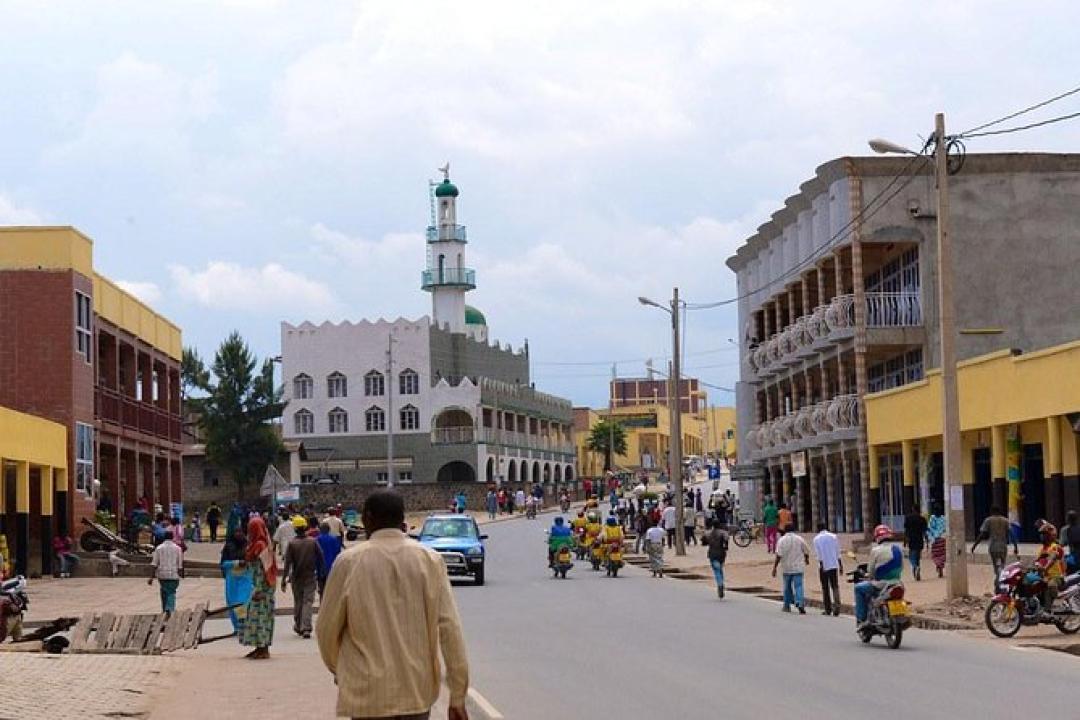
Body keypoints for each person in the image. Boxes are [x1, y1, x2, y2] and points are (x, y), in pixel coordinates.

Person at [317, 491, 470, 720]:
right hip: (416, 692)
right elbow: (451, 629)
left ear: (368, 518)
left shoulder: (348, 562)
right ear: (402, 519)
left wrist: (340, 669)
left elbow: (326, 629)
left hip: (367, 695)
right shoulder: (429, 561)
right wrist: (457, 695)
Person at [239, 516, 276, 659]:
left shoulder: (261, 545)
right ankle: (258, 647)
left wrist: (260, 589)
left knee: (261, 619)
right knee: (255, 618)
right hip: (257, 586)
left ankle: (263, 649)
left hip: (263, 588)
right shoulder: (256, 544)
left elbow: (264, 569)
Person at [854, 525, 903, 630]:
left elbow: (870, 571)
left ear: (877, 537)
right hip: (897, 583)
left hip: (880, 584)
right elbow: (901, 567)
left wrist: (868, 575)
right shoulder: (898, 549)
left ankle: (861, 618)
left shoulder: (875, 550)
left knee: (858, 588)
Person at [282, 515, 324, 639]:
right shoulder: (313, 541)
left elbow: (287, 563)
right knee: (308, 602)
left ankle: (299, 625)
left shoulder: (292, 544)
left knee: (298, 601)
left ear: (295, 529)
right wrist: (321, 572)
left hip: (296, 577)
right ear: (305, 527)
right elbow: (321, 557)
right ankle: (306, 627)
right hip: (310, 576)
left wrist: (284, 579)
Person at [971, 505, 1019, 585]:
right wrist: (1015, 547)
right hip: (1003, 547)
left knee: (996, 567)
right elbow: (1012, 534)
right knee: (1002, 565)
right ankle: (1002, 581)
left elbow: (982, 534)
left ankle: (998, 582)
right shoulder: (1005, 520)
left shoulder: (988, 520)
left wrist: (975, 545)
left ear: (991, 512)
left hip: (993, 547)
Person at [220, 526, 252, 633]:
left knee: (244, 601)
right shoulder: (228, 547)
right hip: (232, 579)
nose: (238, 534)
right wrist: (236, 563)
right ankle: (236, 627)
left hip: (245, 578)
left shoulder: (249, 546)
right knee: (232, 603)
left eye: (240, 532)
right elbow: (223, 563)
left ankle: (244, 625)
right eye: (236, 532)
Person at [771, 526, 810, 613]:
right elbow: (806, 550)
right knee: (799, 586)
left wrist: (775, 568)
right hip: (798, 567)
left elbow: (778, 555)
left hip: (786, 567)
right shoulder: (800, 539)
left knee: (787, 587)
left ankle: (786, 605)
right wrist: (806, 559)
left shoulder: (781, 540)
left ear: (785, 530)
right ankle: (800, 603)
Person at [1033, 520, 1066, 617]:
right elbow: (1036, 561)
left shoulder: (1055, 547)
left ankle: (1050, 608)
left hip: (1056, 577)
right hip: (1044, 576)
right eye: (1041, 535)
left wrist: (1045, 568)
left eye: (1044, 534)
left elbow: (1053, 558)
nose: (1042, 537)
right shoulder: (1042, 549)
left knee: (1050, 585)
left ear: (1050, 536)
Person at [148, 530, 183, 614]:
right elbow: (180, 564)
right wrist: (181, 574)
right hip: (173, 574)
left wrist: (151, 577)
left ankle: (164, 609)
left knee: (164, 591)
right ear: (172, 537)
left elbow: (154, 564)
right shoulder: (178, 548)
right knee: (171, 591)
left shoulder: (159, 548)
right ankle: (169, 608)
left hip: (162, 575)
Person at [813, 522, 842, 616]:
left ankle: (828, 609)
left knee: (825, 588)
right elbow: (838, 552)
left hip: (824, 565)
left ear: (818, 529)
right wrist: (840, 565)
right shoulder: (834, 536)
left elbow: (819, 555)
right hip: (834, 564)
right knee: (835, 586)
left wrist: (822, 565)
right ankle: (837, 607)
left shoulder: (816, 539)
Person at [704, 519, 729, 598]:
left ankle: (720, 584)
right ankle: (721, 583)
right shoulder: (723, 533)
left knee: (716, 570)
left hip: (712, 554)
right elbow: (727, 541)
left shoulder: (708, 533)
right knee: (720, 568)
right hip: (721, 554)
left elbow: (704, 542)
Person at [316, 522, 342, 597]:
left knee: (322, 589)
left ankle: (322, 606)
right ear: (329, 530)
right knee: (331, 590)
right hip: (332, 567)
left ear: (320, 530)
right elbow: (338, 553)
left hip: (320, 567)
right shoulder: (334, 539)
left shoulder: (317, 539)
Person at [903, 505, 929, 581]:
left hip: (911, 539)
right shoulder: (922, 519)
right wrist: (927, 541)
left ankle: (915, 566)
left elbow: (906, 530)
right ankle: (917, 568)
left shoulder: (908, 518)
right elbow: (924, 531)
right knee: (917, 556)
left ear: (913, 509)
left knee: (911, 556)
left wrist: (905, 540)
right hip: (919, 539)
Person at [928, 503, 947, 578]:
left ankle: (938, 565)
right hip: (942, 539)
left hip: (934, 540)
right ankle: (940, 566)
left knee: (935, 554)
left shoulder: (932, 518)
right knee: (942, 554)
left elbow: (930, 528)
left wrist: (930, 537)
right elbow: (945, 528)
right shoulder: (943, 518)